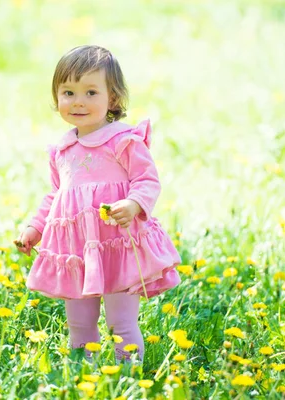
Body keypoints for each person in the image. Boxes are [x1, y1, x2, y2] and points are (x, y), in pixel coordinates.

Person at [15, 45, 182, 363]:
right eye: (68, 92)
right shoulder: (62, 150)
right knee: (79, 323)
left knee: (121, 322)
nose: (78, 101)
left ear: (113, 100)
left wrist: (134, 204)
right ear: (57, 98)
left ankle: (129, 377)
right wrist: (34, 228)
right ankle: (83, 376)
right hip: (77, 250)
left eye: (91, 92)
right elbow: (56, 195)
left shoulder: (123, 140)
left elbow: (147, 180)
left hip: (116, 245)